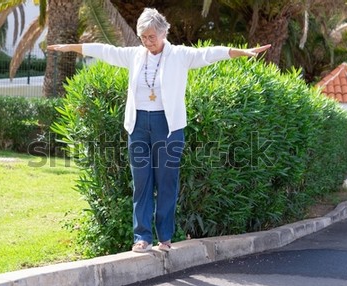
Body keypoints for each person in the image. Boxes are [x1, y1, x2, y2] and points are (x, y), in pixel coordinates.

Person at [48, 8, 271, 253]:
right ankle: (141, 236)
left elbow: (210, 53)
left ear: (164, 32)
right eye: (143, 37)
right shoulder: (135, 55)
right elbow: (105, 51)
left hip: (168, 126)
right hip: (138, 125)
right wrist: (70, 47)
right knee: (141, 182)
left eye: (151, 36)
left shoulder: (179, 55)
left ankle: (165, 236)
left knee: (166, 182)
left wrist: (242, 52)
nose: (147, 42)